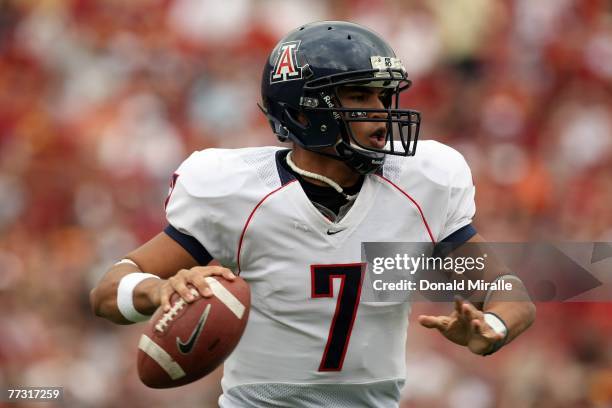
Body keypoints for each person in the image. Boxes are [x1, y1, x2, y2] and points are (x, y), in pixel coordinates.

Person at [90, 21, 535, 407]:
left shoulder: (423, 182)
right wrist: (159, 289)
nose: (382, 115)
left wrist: (491, 325)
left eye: (384, 97)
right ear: (305, 109)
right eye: (360, 96)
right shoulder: (235, 190)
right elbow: (108, 291)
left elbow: (507, 292)